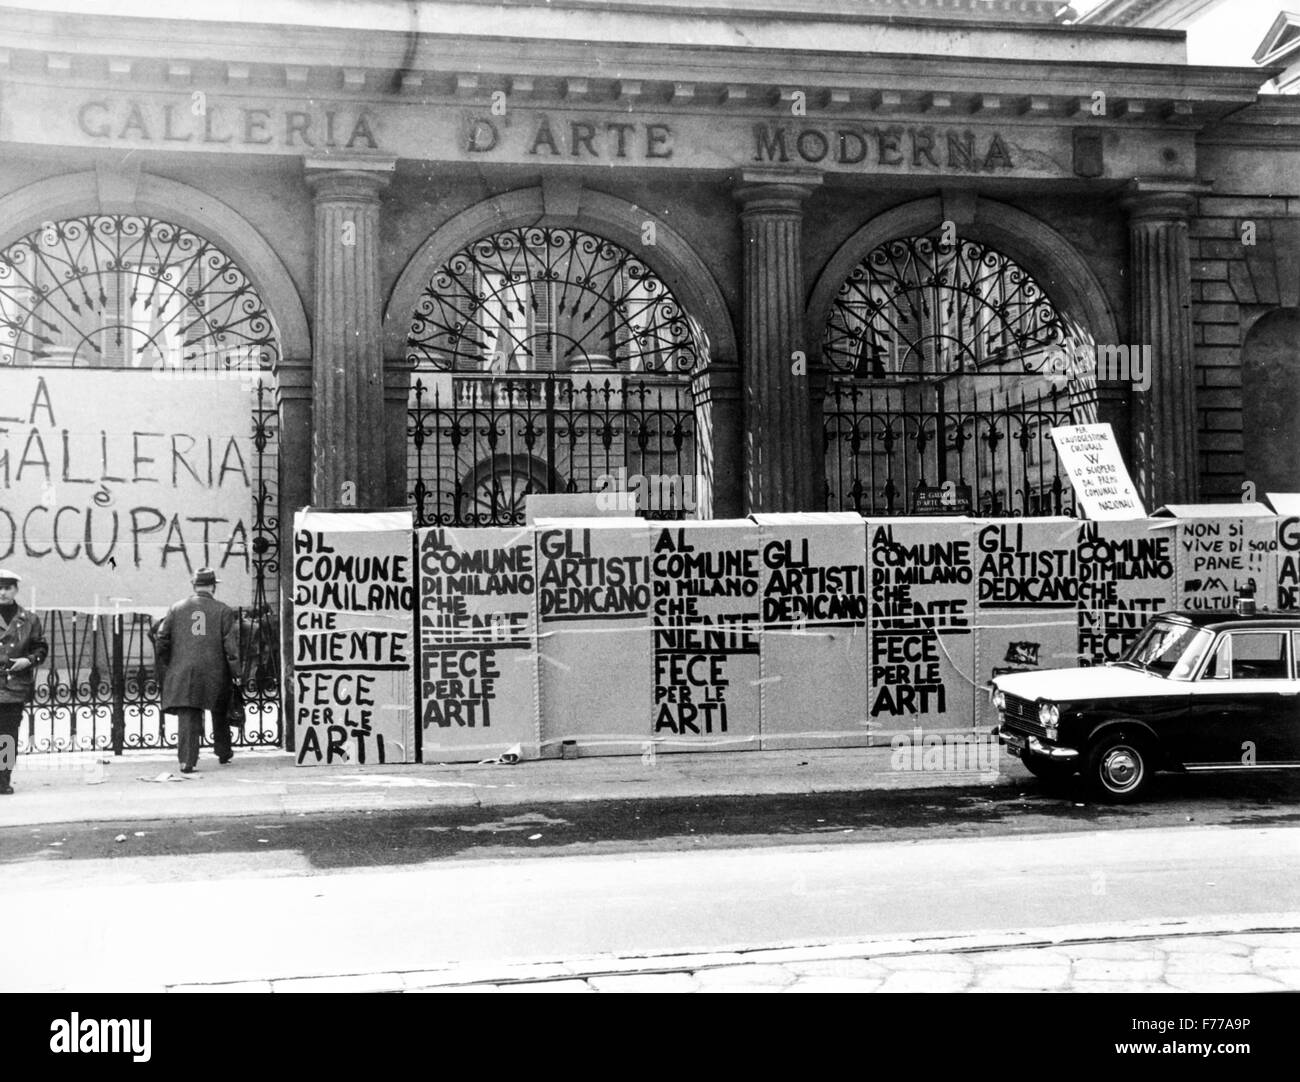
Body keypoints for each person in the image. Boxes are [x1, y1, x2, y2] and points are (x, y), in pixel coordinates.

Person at [154, 567, 239, 773]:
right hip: (215, 670)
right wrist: (235, 673)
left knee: (189, 713)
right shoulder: (223, 610)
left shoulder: (176, 608)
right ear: (213, 587)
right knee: (220, 709)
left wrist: (171, 662)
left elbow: (162, 639)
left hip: (183, 669)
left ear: (194, 585)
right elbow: (230, 647)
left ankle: (187, 761)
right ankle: (223, 752)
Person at [0, 569, 48, 796]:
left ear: (16, 590)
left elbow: (41, 648)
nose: (2, 592)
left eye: (7, 588)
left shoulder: (29, 619)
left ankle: (2, 779)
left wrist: (27, 661)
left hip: (13, 687)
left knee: (7, 737)